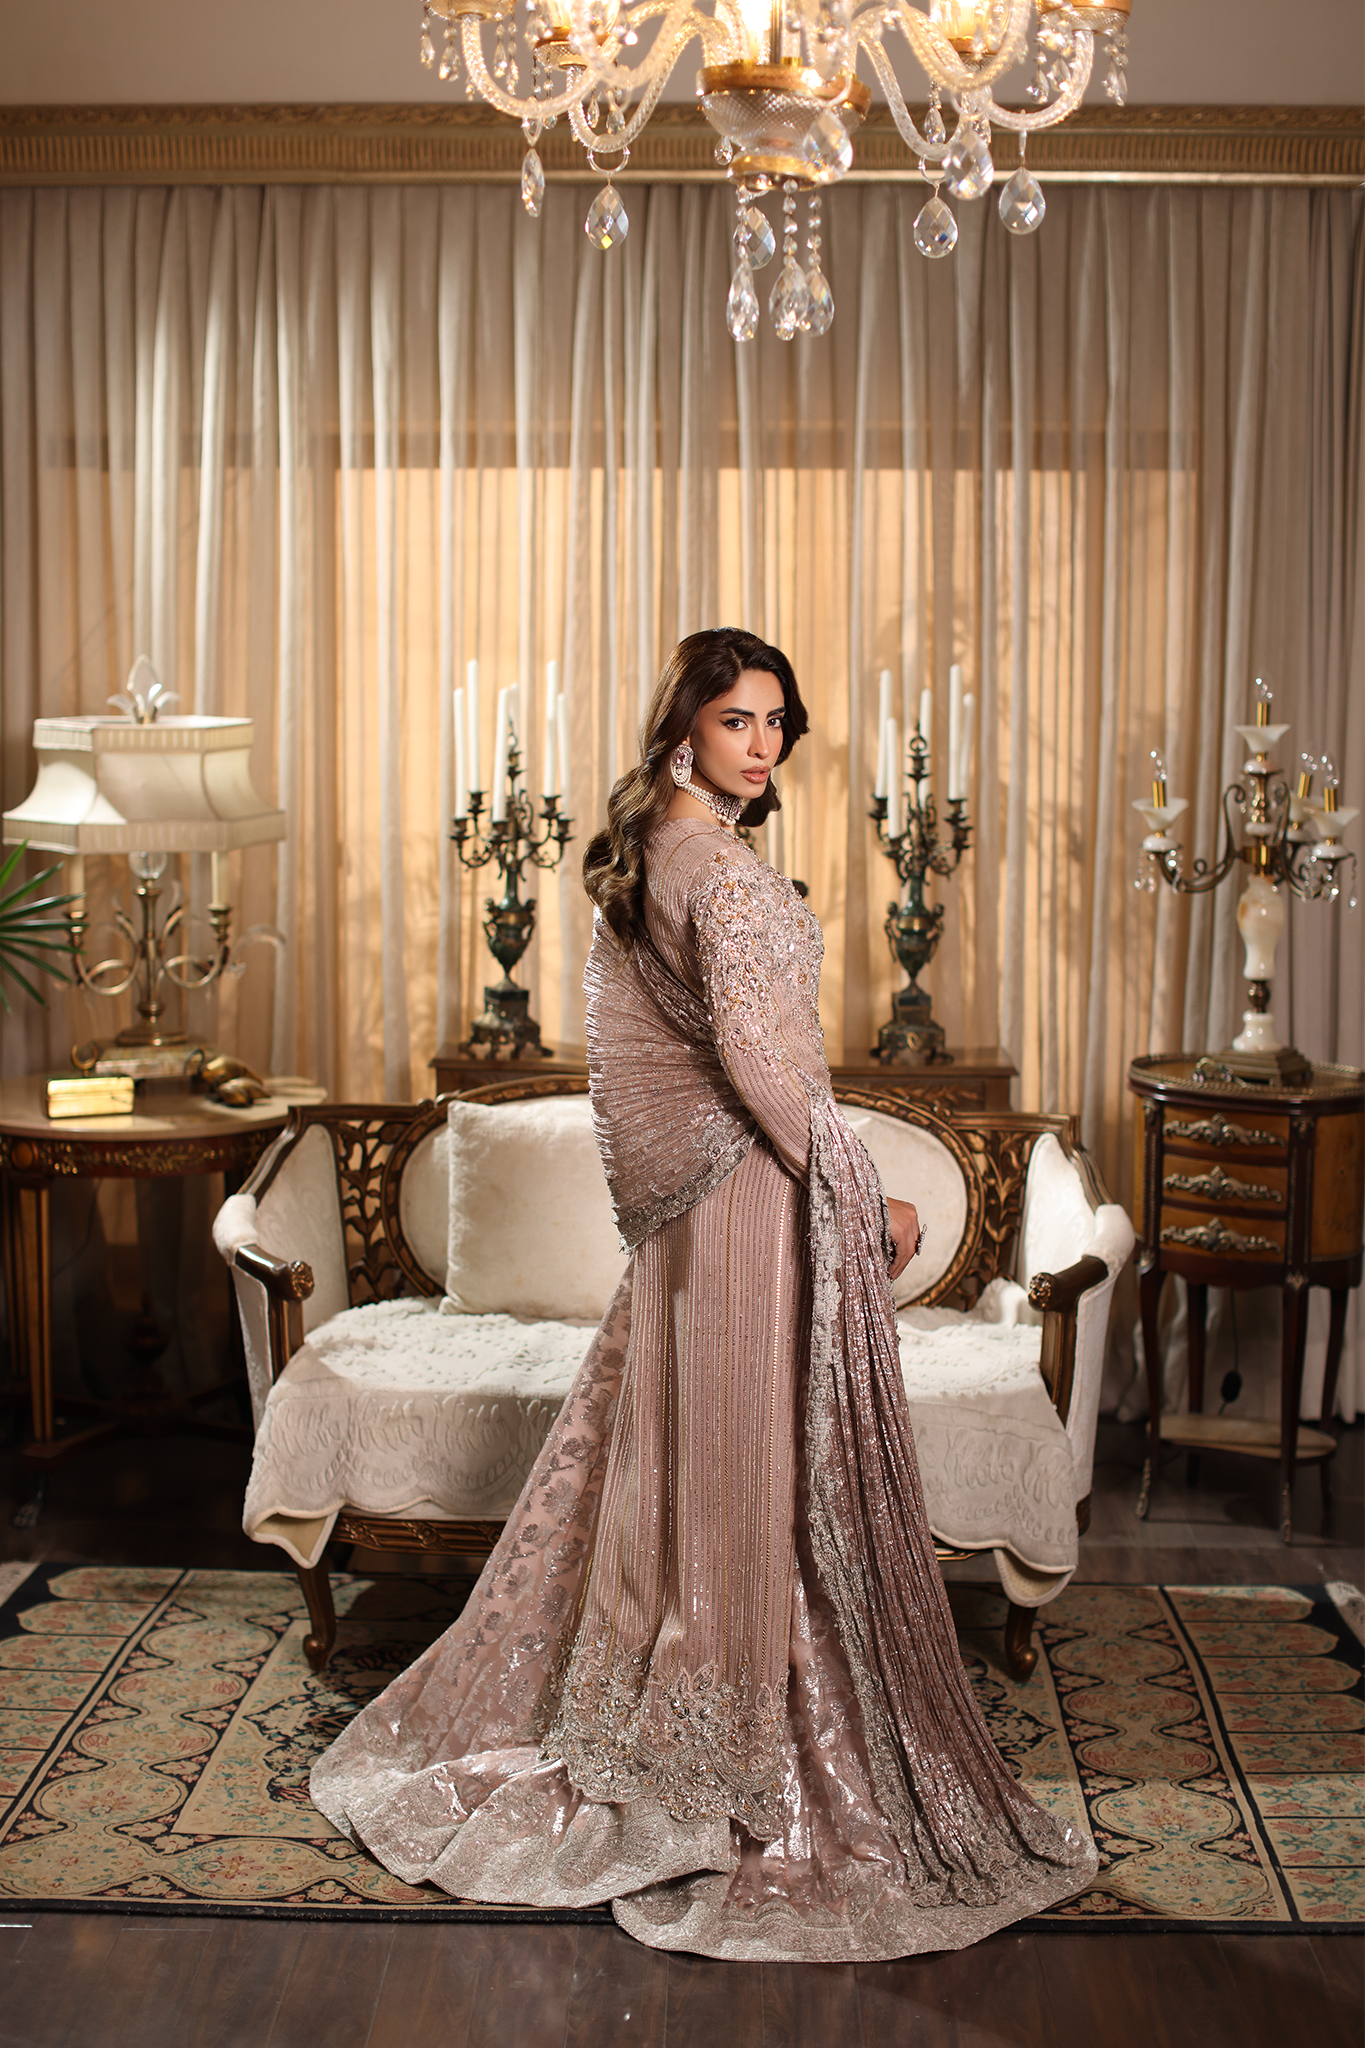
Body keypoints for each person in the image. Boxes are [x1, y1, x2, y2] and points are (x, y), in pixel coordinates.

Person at [311, 627, 1097, 1961]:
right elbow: (766, 1069)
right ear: (684, 731)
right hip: (747, 1210)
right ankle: (737, 1744)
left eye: (778, 721)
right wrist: (863, 1196)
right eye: (739, 720)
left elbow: (646, 1077)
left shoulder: (651, 861)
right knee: (747, 1472)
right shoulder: (718, 871)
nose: (765, 744)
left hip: (695, 1217)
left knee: (704, 1464)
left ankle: (695, 1713)